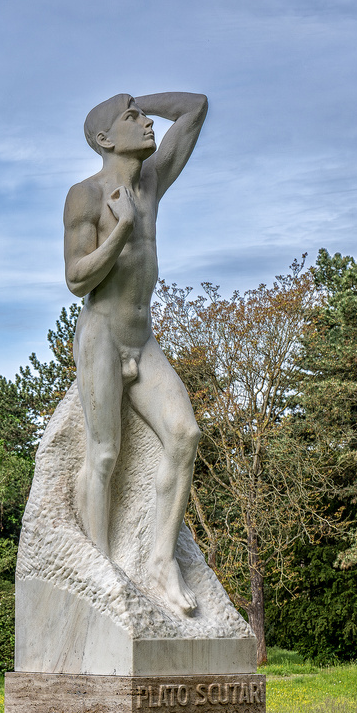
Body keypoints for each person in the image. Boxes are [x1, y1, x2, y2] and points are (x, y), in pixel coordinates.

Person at [63, 91, 208, 615]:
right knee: (103, 454)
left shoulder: (150, 182)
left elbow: (194, 108)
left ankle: (159, 561)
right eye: (132, 118)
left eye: (145, 116)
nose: (147, 122)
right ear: (104, 139)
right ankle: (99, 572)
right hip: (101, 334)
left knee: (185, 434)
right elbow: (76, 278)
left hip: (142, 340)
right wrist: (120, 226)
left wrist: (135, 95)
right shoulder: (85, 196)